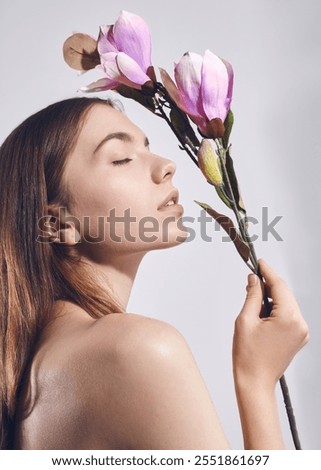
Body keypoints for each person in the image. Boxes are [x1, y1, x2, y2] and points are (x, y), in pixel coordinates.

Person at [0, 97, 308, 450]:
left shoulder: (33, 372)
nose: (166, 165)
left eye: (146, 147)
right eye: (121, 159)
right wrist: (257, 380)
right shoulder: (134, 350)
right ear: (58, 224)